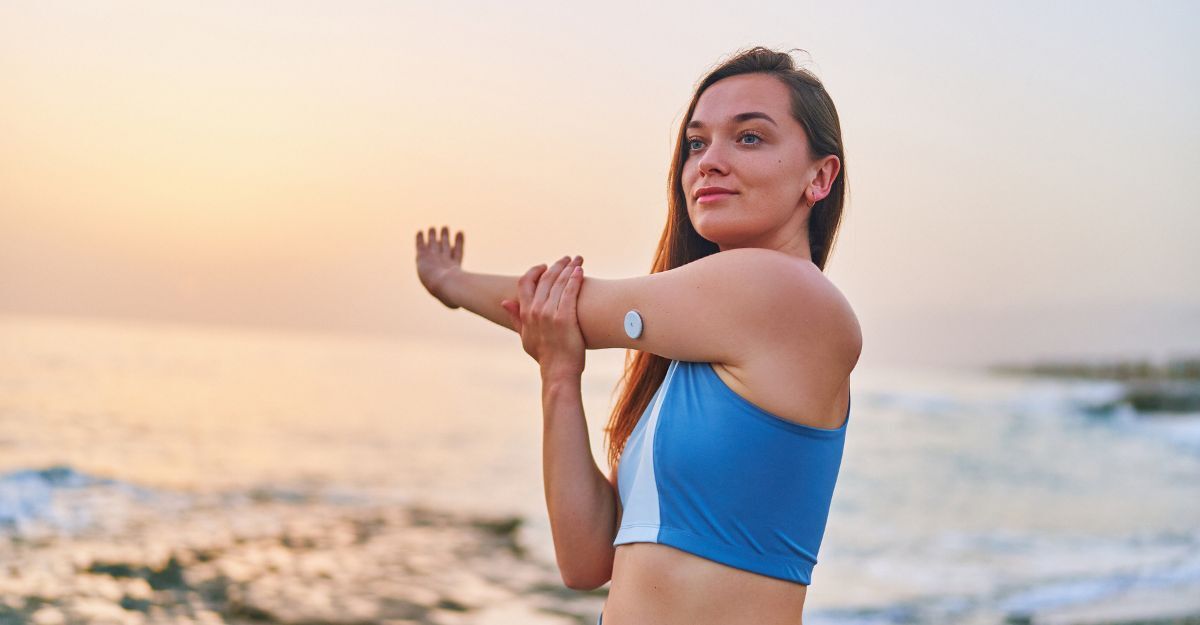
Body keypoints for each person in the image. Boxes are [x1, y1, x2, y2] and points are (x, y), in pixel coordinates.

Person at [414, 46, 859, 625]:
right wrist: (558, 375)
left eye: (749, 137)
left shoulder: (785, 292)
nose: (709, 162)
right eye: (696, 144)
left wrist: (450, 281)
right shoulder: (696, 358)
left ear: (819, 177)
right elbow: (584, 560)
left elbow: (573, 306)